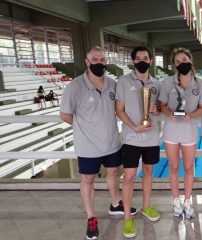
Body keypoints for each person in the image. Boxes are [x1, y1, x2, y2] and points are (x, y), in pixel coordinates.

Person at [60, 46, 136, 240]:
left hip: (111, 142)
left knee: (114, 173)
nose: (100, 63)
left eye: (102, 59)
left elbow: (121, 108)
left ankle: (115, 204)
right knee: (88, 180)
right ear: (87, 62)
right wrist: (87, 128)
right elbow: (65, 115)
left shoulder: (112, 84)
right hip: (88, 146)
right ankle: (91, 217)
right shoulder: (75, 86)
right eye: (95, 60)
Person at [115, 46, 161, 238]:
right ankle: (127, 218)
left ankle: (146, 207)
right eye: (138, 58)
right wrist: (134, 127)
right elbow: (119, 109)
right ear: (133, 61)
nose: (142, 60)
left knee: (149, 172)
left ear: (150, 61)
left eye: (146, 57)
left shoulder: (156, 83)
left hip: (151, 137)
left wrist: (156, 110)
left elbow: (160, 110)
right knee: (129, 178)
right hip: (132, 138)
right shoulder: (124, 81)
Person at [159, 48, 202, 219]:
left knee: (188, 168)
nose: (182, 63)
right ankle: (175, 201)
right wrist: (169, 114)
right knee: (173, 167)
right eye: (178, 61)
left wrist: (191, 115)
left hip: (189, 130)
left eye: (185, 59)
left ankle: (187, 201)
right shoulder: (167, 82)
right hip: (171, 130)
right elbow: (162, 105)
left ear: (190, 60)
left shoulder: (201, 84)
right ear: (174, 65)